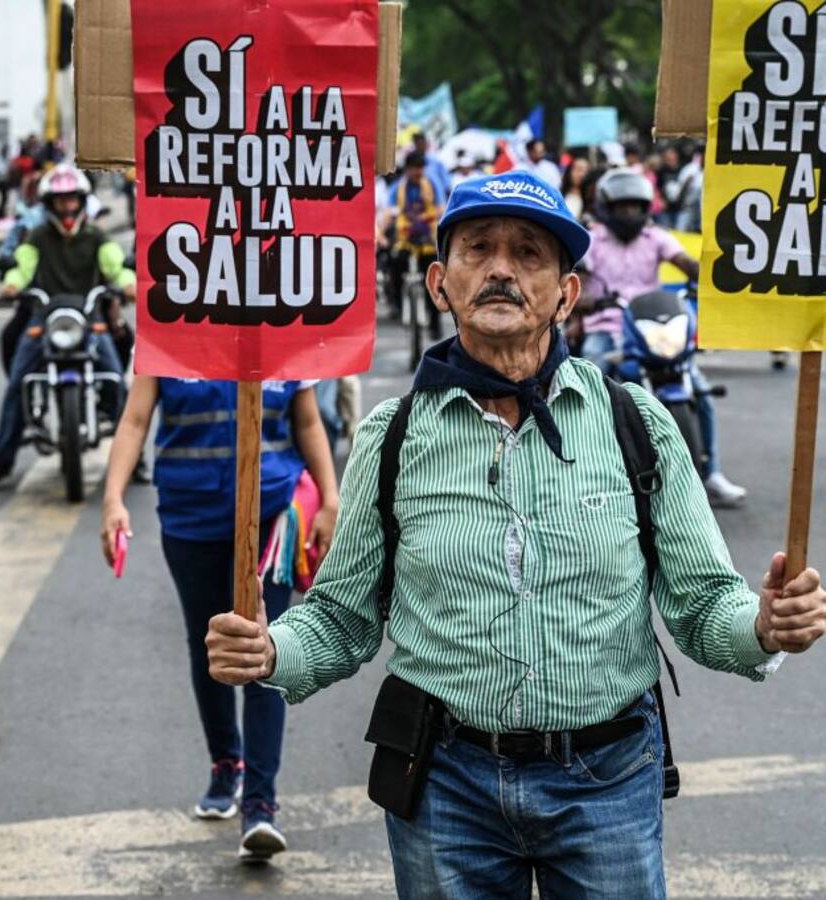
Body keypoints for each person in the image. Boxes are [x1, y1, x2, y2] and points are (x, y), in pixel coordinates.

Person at [205, 170, 826, 898]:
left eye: (530, 253)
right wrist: (273, 648)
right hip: (443, 782)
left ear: (566, 293)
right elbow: (341, 620)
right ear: (440, 283)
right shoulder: (392, 436)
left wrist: (762, 623)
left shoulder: (637, 425)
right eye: (479, 249)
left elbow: (703, 605)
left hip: (609, 781)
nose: (502, 268)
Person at [101, 376, 339, 862]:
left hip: (271, 513)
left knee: (260, 647)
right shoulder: (170, 330)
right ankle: (226, 763)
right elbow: (136, 419)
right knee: (206, 643)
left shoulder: (280, 327)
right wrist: (113, 498)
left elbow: (309, 420)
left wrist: (331, 497)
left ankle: (260, 803)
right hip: (189, 519)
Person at [582, 169, 746, 506]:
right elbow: (577, 281)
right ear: (606, 207)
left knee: (698, 387)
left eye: (635, 206)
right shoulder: (591, 241)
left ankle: (711, 472)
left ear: (646, 208)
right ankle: (586, 470)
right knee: (586, 380)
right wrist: (588, 299)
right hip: (607, 325)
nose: (629, 214)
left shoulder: (655, 237)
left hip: (652, 325)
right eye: (622, 207)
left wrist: (716, 269)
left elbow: (685, 262)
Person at [0, 164, 134, 487]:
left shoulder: (96, 236)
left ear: (81, 202)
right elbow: (22, 267)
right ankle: (1, 459)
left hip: (89, 320)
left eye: (72, 200)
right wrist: (12, 284)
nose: (67, 207)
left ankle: (136, 460)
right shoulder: (37, 237)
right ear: (49, 204)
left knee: (116, 381)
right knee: (18, 383)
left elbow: (115, 267)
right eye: (60, 201)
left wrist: (128, 283)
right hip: (45, 317)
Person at [386, 152, 441, 336]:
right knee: (395, 264)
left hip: (427, 237)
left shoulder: (432, 184)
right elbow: (388, 212)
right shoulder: (397, 188)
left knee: (433, 276)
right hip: (405, 236)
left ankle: (435, 323)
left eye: (420, 168)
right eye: (414, 168)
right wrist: (381, 235)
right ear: (408, 169)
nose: (418, 172)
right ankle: (398, 305)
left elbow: (441, 207)